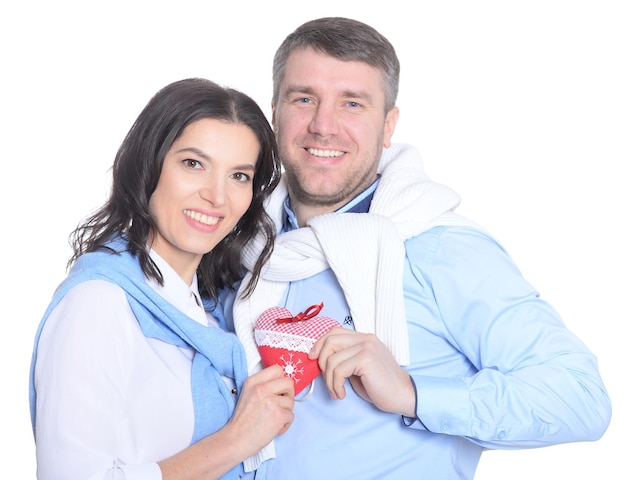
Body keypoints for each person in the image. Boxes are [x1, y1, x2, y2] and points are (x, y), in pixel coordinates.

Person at [223, 17, 613, 479]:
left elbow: (580, 395)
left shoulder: (441, 249)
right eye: (304, 98)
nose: (323, 126)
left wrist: (413, 393)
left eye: (353, 103)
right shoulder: (236, 244)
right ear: (274, 113)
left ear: (388, 126)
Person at [29, 78, 295, 480]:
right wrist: (237, 439)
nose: (217, 196)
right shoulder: (100, 304)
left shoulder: (207, 316)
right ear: (149, 164)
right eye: (193, 164)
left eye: (239, 176)